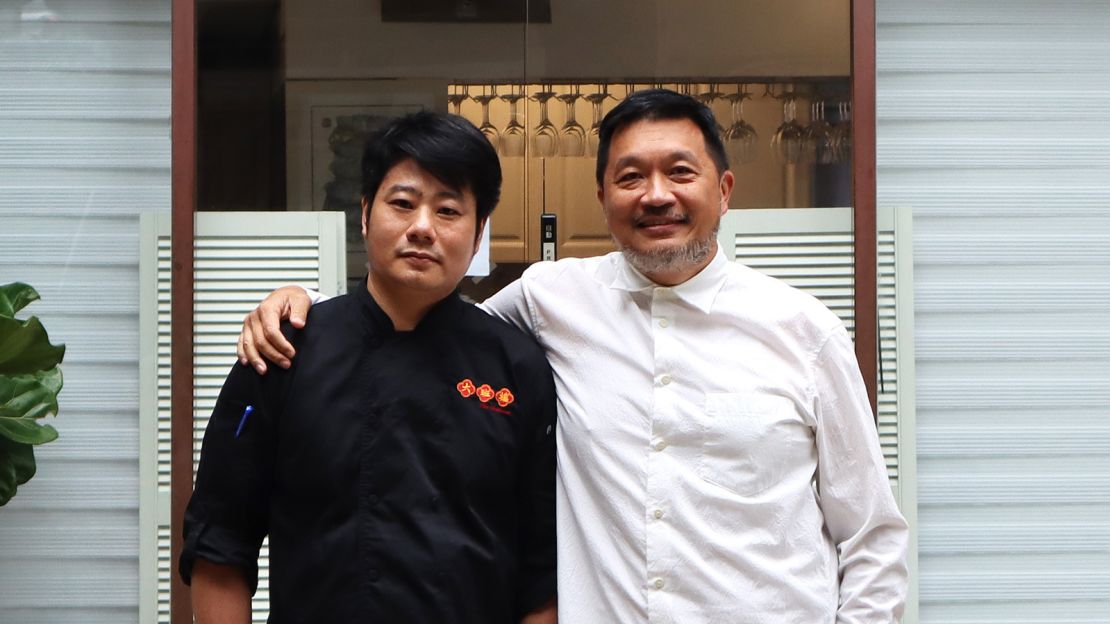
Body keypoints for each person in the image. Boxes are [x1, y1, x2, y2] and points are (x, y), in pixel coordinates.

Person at [238, 89, 910, 623]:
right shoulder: (551, 299)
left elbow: (871, 534)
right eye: (630, 176)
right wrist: (304, 307)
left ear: (725, 190)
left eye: (680, 172)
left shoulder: (803, 329)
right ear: (603, 198)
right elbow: (424, 318)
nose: (655, 194)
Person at [181, 111, 558, 623]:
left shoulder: (517, 365)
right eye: (402, 204)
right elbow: (220, 544)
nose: (422, 228)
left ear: (477, 236)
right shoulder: (283, 351)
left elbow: (541, 572)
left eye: (448, 210)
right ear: (364, 215)